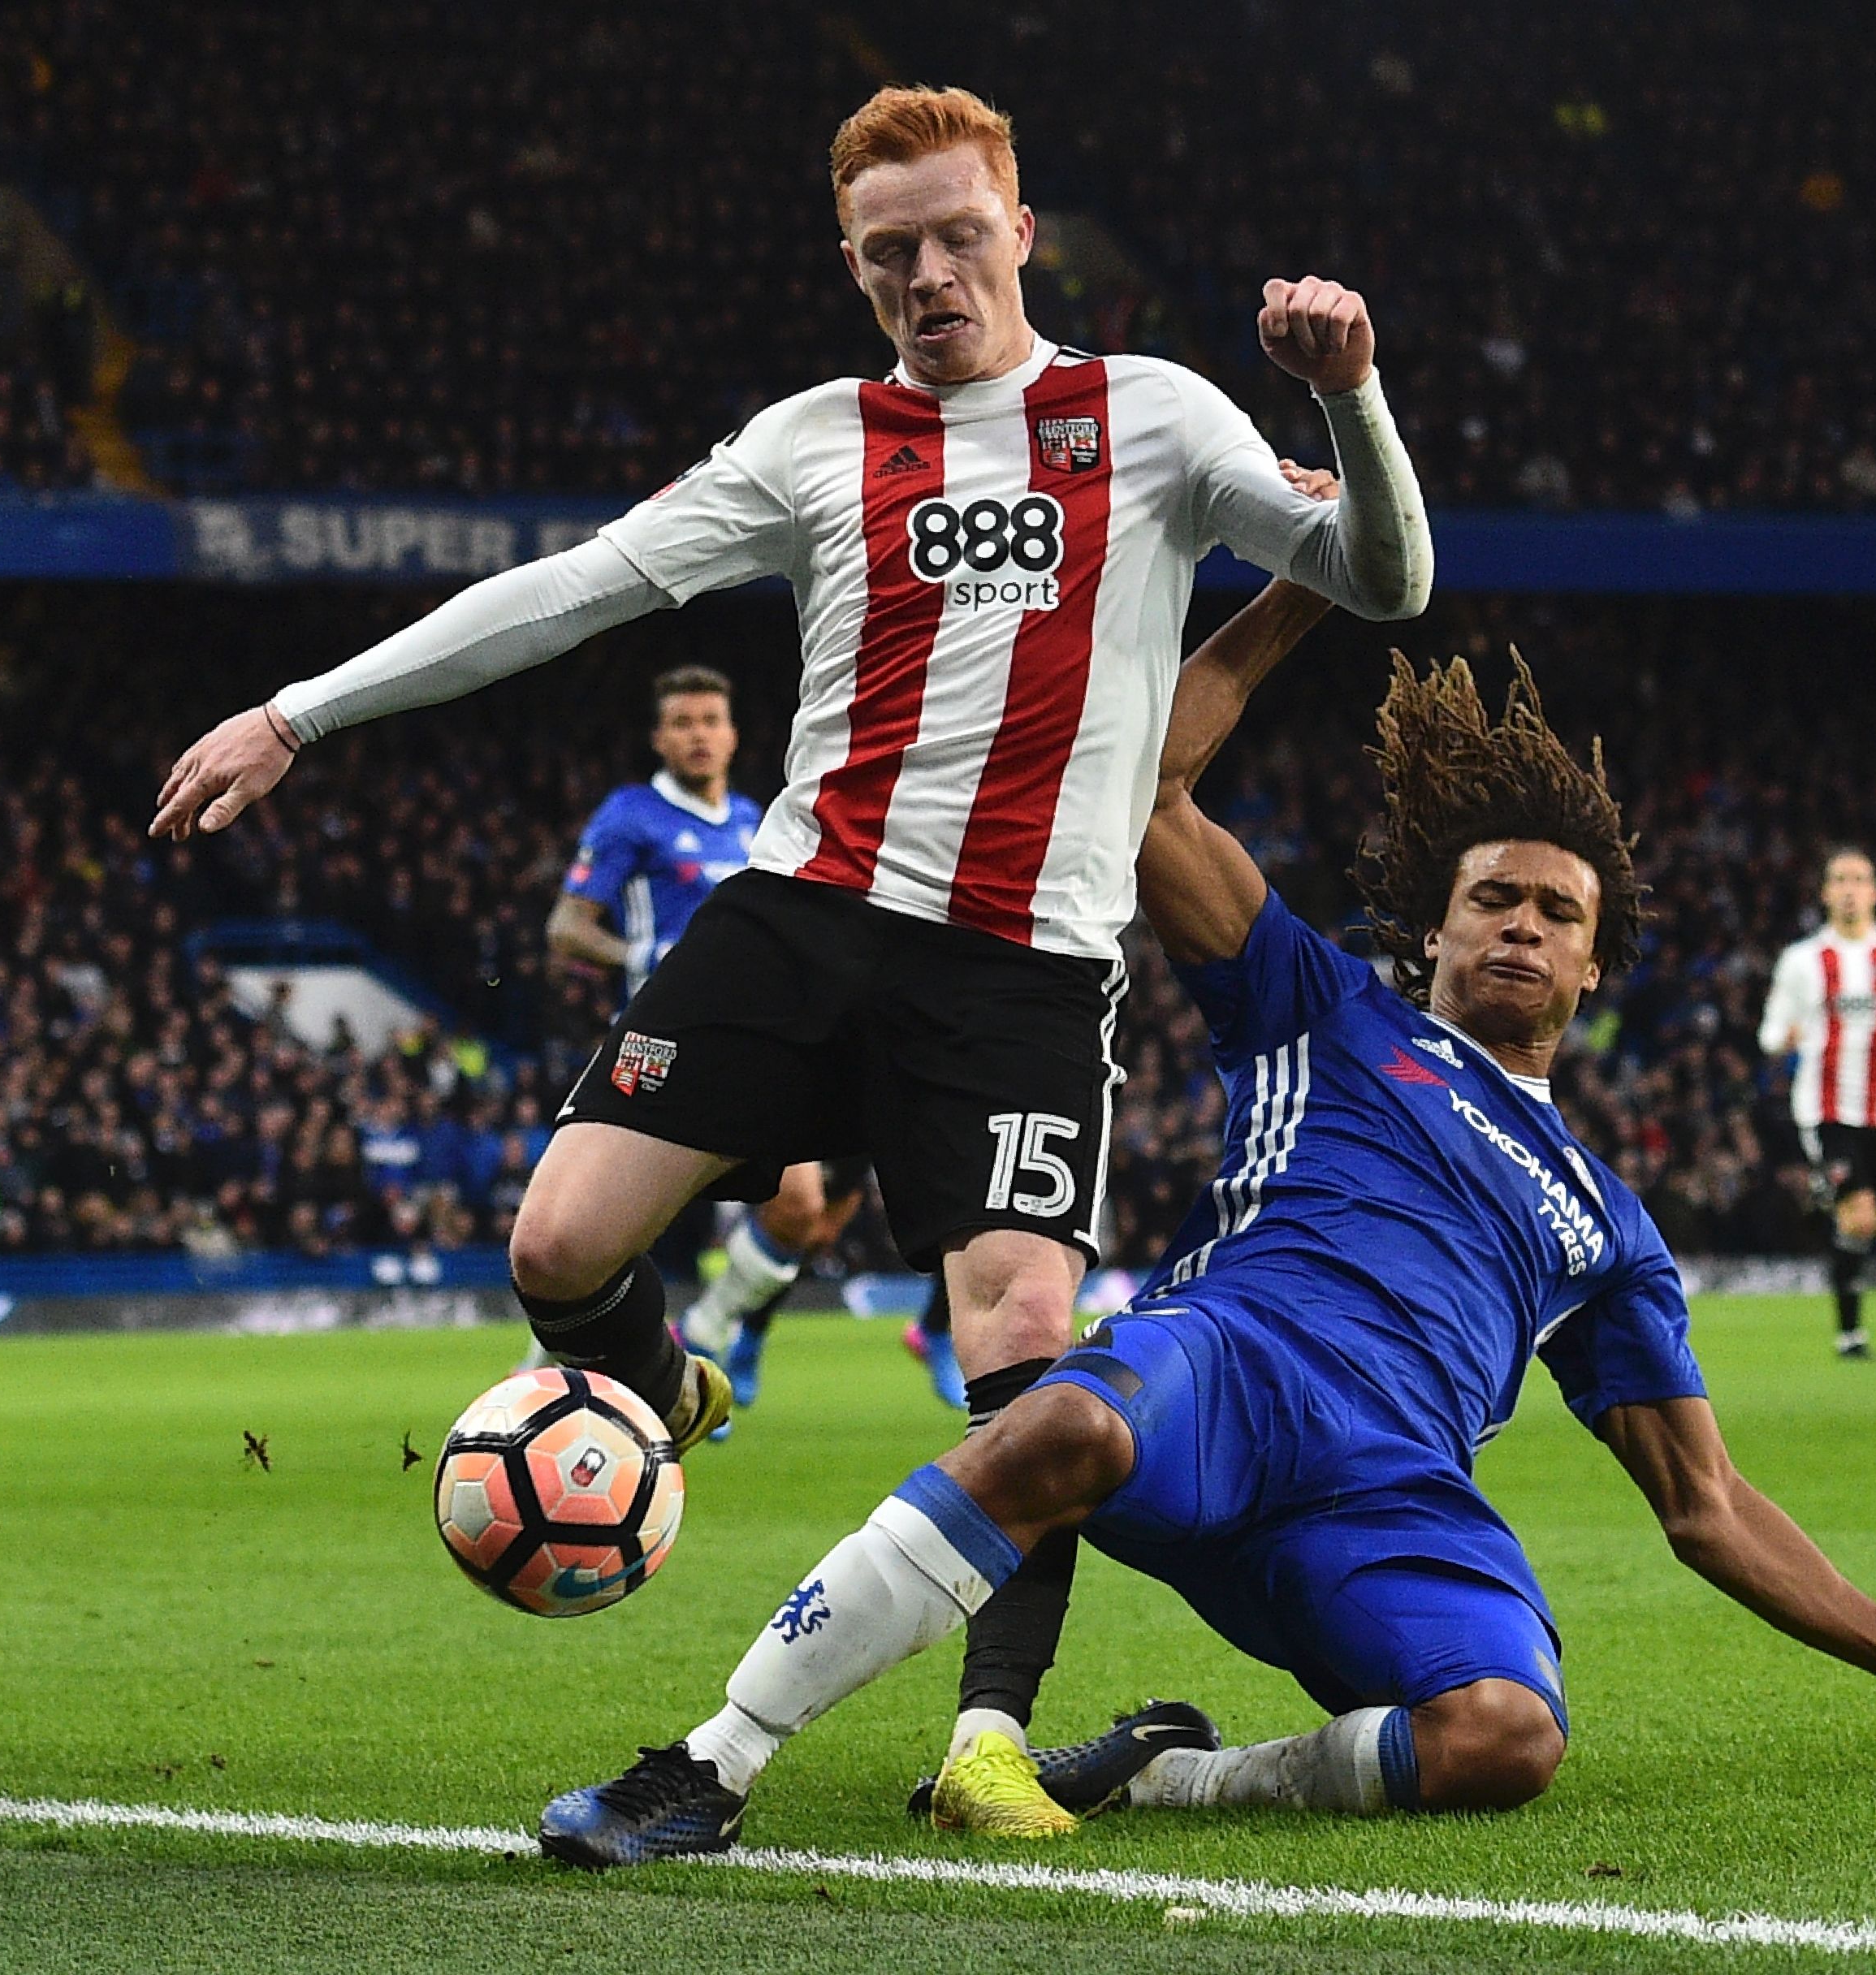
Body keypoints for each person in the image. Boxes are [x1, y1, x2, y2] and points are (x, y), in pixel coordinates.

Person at [149, 84, 1433, 1831]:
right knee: (556, 1242)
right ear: (852, 264)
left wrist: (1348, 394)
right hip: (802, 917)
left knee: (1027, 1350)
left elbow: (1387, 571)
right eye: (888, 249)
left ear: (1022, 229)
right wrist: (300, 714)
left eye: (957, 233)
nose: (928, 271)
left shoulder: (1151, 419)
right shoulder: (813, 440)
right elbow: (575, 590)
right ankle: (671, 1378)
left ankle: (987, 1737)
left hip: (1021, 972)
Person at [531, 621, 1876, 1869]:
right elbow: (1145, 787)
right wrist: (1309, 581)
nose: (1519, 924)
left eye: (1556, 914)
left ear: (1593, 965)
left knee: (1505, 1736)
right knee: (1061, 1413)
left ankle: (1172, 1777)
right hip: (1229, 1376)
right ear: (1430, 926)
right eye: (1491, 897)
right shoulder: (1320, 1004)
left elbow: (1706, 1508)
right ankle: (710, 1764)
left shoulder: (1608, 1225)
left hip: (1390, 1493)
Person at [541, 663, 872, 1389]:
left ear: (733, 735)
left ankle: (707, 1331)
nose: (699, 736)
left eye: (711, 721)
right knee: (600, 1234)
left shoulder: (759, 821)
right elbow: (567, 928)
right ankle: (539, 1373)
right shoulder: (631, 815)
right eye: (683, 723)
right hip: (656, 1046)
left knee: (800, 1212)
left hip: (752, 1047)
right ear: (660, 738)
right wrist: (642, 953)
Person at [1757, 850, 1876, 1358]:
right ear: (1824, 892)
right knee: (1858, 1217)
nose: (1849, 889)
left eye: (1860, 880)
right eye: (1839, 879)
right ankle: (1850, 1334)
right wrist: (1785, 1037)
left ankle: (1830, 1212)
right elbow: (1770, 1032)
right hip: (1826, 1108)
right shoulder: (1801, 961)